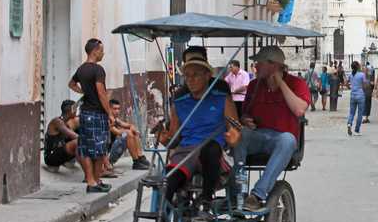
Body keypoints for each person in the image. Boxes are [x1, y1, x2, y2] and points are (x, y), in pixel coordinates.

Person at [157, 49, 241, 206]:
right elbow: (173, 138)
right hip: (186, 153)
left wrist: (234, 136)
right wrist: (163, 138)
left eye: (195, 75)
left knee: (210, 149)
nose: (190, 80)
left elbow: (235, 127)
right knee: (168, 183)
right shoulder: (179, 103)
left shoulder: (222, 99)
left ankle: (207, 199)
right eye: (187, 76)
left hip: (213, 153)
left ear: (207, 76)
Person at [233, 46, 310, 211]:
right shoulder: (254, 86)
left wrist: (280, 83)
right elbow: (244, 115)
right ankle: (238, 192)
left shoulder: (297, 84)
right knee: (239, 135)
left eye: (259, 63)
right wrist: (245, 120)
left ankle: (258, 194)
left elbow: (299, 110)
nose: (255, 66)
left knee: (288, 140)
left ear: (273, 66)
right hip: (258, 135)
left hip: (282, 138)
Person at [68, 38, 115, 193]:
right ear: (94, 51)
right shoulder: (98, 70)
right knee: (100, 148)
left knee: (86, 148)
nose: (103, 53)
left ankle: (92, 181)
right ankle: (95, 180)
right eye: (101, 50)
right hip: (97, 113)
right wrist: (109, 113)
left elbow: (71, 84)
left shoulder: (81, 69)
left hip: (85, 112)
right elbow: (101, 92)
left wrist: (83, 92)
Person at [107, 99, 150, 170]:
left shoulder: (116, 120)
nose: (117, 111)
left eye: (118, 109)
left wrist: (133, 128)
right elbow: (117, 132)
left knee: (134, 132)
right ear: (109, 109)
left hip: (114, 151)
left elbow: (129, 125)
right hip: (107, 157)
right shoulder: (107, 120)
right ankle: (136, 162)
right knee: (128, 134)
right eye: (114, 109)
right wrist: (127, 131)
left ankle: (140, 158)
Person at [43, 100, 79, 172]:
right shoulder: (57, 122)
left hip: (59, 152)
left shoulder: (67, 121)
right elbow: (74, 136)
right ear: (71, 111)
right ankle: (89, 174)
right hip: (50, 158)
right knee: (79, 142)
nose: (76, 111)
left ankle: (70, 161)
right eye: (75, 109)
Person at [346, 61, 366, 136]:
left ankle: (349, 123)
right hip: (360, 95)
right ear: (358, 67)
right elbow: (364, 85)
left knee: (351, 112)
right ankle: (357, 130)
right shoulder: (361, 75)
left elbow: (346, 83)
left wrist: (350, 87)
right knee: (360, 114)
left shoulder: (351, 75)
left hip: (353, 95)